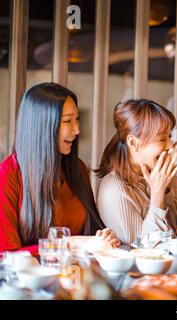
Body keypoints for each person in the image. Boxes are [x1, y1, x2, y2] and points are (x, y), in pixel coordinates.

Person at [0, 82, 119, 254]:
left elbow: (90, 232)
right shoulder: (9, 174)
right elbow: (6, 255)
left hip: (77, 275)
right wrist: (71, 244)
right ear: (42, 126)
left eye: (77, 119)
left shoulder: (77, 168)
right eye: (67, 121)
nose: (77, 130)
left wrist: (103, 236)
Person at [95, 99, 177, 245]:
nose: (170, 146)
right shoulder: (114, 189)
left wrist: (166, 184)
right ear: (134, 143)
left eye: (169, 137)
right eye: (162, 139)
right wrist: (157, 193)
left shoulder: (157, 172)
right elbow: (147, 248)